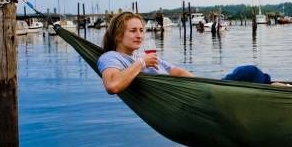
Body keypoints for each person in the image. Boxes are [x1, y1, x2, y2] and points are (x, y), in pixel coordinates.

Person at [99, 12, 274, 94]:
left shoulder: (141, 56)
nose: (139, 35)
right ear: (118, 35)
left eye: (141, 30)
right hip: (183, 100)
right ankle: (278, 89)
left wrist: (200, 86)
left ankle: (278, 89)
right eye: (133, 31)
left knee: (247, 74)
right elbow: (113, 86)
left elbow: (176, 71)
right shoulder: (110, 58)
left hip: (195, 93)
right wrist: (142, 63)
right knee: (248, 72)